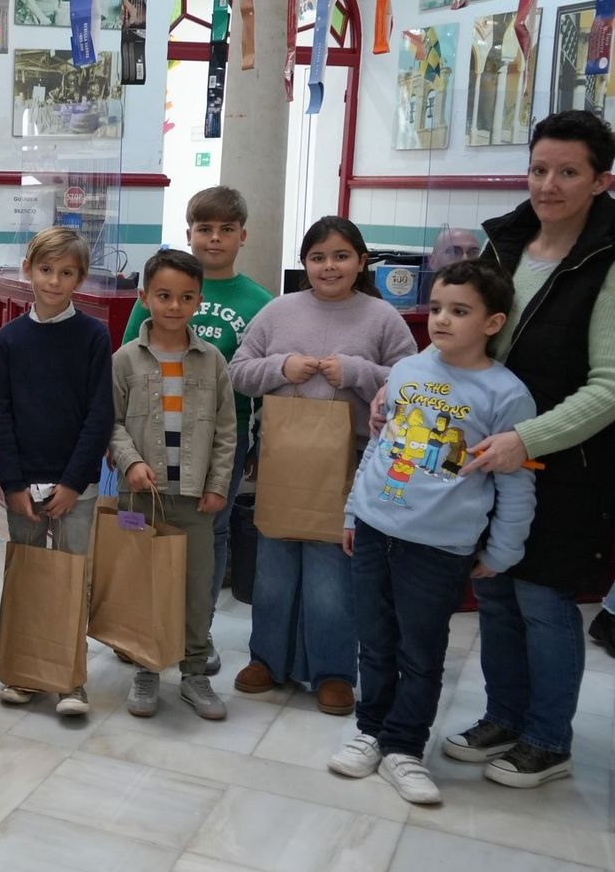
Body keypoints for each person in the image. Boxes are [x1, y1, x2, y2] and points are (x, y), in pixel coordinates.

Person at [438, 110, 615, 789]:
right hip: (490, 456)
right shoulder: (503, 242)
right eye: (539, 168)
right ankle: (504, 717)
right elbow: (458, 329)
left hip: (568, 465)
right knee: (499, 592)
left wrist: (526, 438)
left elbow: (609, 386)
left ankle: (548, 737)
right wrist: (410, 387)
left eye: (568, 172)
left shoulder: (606, 258)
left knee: (544, 599)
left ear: (600, 180)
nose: (548, 184)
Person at [330, 260, 537, 805]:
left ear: (493, 323)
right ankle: (370, 730)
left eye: (460, 311)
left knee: (421, 652)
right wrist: (354, 512)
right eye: (438, 308)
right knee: (374, 641)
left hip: (439, 546)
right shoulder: (407, 370)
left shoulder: (506, 394)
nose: (441, 320)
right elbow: (380, 446)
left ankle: (404, 746)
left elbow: (515, 483)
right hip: (376, 527)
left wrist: (504, 548)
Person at [229, 217, 417, 715]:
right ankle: (266, 659)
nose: (329, 267)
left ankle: (333, 672)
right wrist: (280, 368)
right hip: (282, 456)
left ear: (360, 262)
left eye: (340, 256)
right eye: (317, 257)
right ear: (305, 263)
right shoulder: (278, 311)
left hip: (349, 462)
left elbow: (412, 384)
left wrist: (358, 373)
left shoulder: (382, 318)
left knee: (332, 573)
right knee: (274, 567)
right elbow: (238, 371)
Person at [121, 186, 272, 674]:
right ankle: (146, 635)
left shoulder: (259, 302)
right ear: (189, 233)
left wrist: (251, 443)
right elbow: (126, 370)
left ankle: (196, 636)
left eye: (226, 229)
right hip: (150, 442)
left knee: (213, 536)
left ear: (242, 236)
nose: (214, 238)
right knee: (148, 539)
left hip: (220, 444)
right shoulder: (159, 288)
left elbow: (251, 385)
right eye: (204, 228)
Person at [0, 227, 112, 713]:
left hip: (72, 486)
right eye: (46, 270)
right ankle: (24, 671)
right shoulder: (11, 338)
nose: (54, 281)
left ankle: (68, 677)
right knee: (28, 576)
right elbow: (1, 414)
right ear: (29, 270)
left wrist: (74, 482)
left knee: (69, 577)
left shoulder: (92, 336)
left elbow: (99, 415)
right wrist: (13, 485)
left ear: (80, 277)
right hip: (24, 486)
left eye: (66, 273)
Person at [110, 250, 236, 721]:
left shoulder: (212, 361)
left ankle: (194, 673)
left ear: (199, 302)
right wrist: (131, 462)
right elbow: (112, 422)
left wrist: (218, 484)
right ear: (144, 298)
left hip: (195, 498)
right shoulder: (125, 360)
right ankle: (146, 667)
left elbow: (226, 430)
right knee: (145, 585)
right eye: (163, 296)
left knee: (195, 587)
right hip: (143, 496)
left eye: (186, 297)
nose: (174, 306)